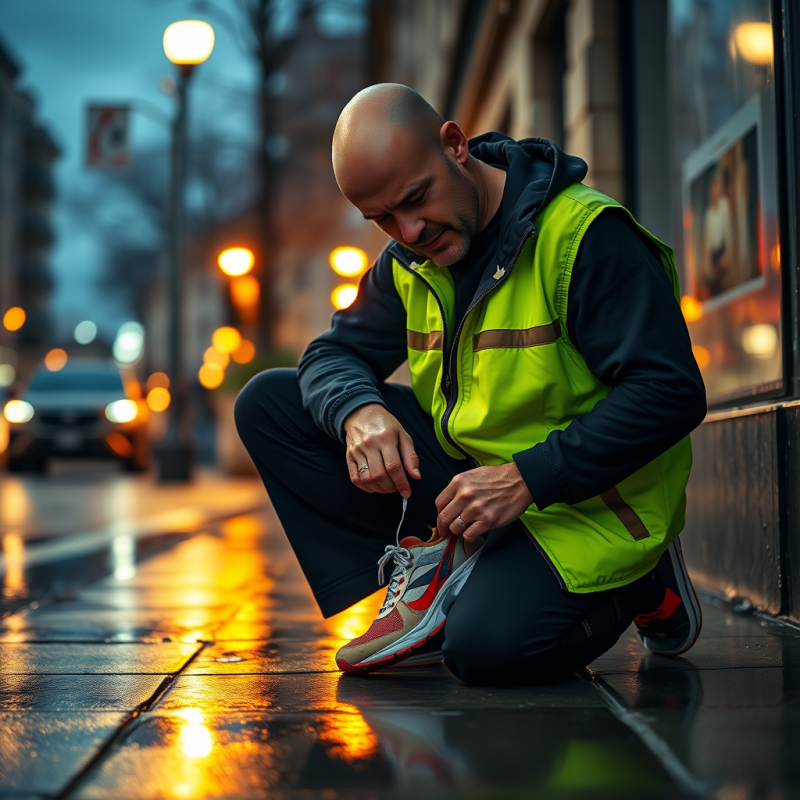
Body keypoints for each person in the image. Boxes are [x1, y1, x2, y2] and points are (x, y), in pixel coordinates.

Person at [235, 84, 707, 686]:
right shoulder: (410, 257)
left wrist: (524, 477)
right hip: (471, 488)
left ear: (455, 145)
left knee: (484, 653)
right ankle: (435, 577)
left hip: (592, 503)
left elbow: (671, 392)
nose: (407, 231)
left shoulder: (585, 236)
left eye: (415, 199)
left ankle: (647, 580)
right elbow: (332, 353)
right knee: (269, 405)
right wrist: (359, 412)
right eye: (381, 219)